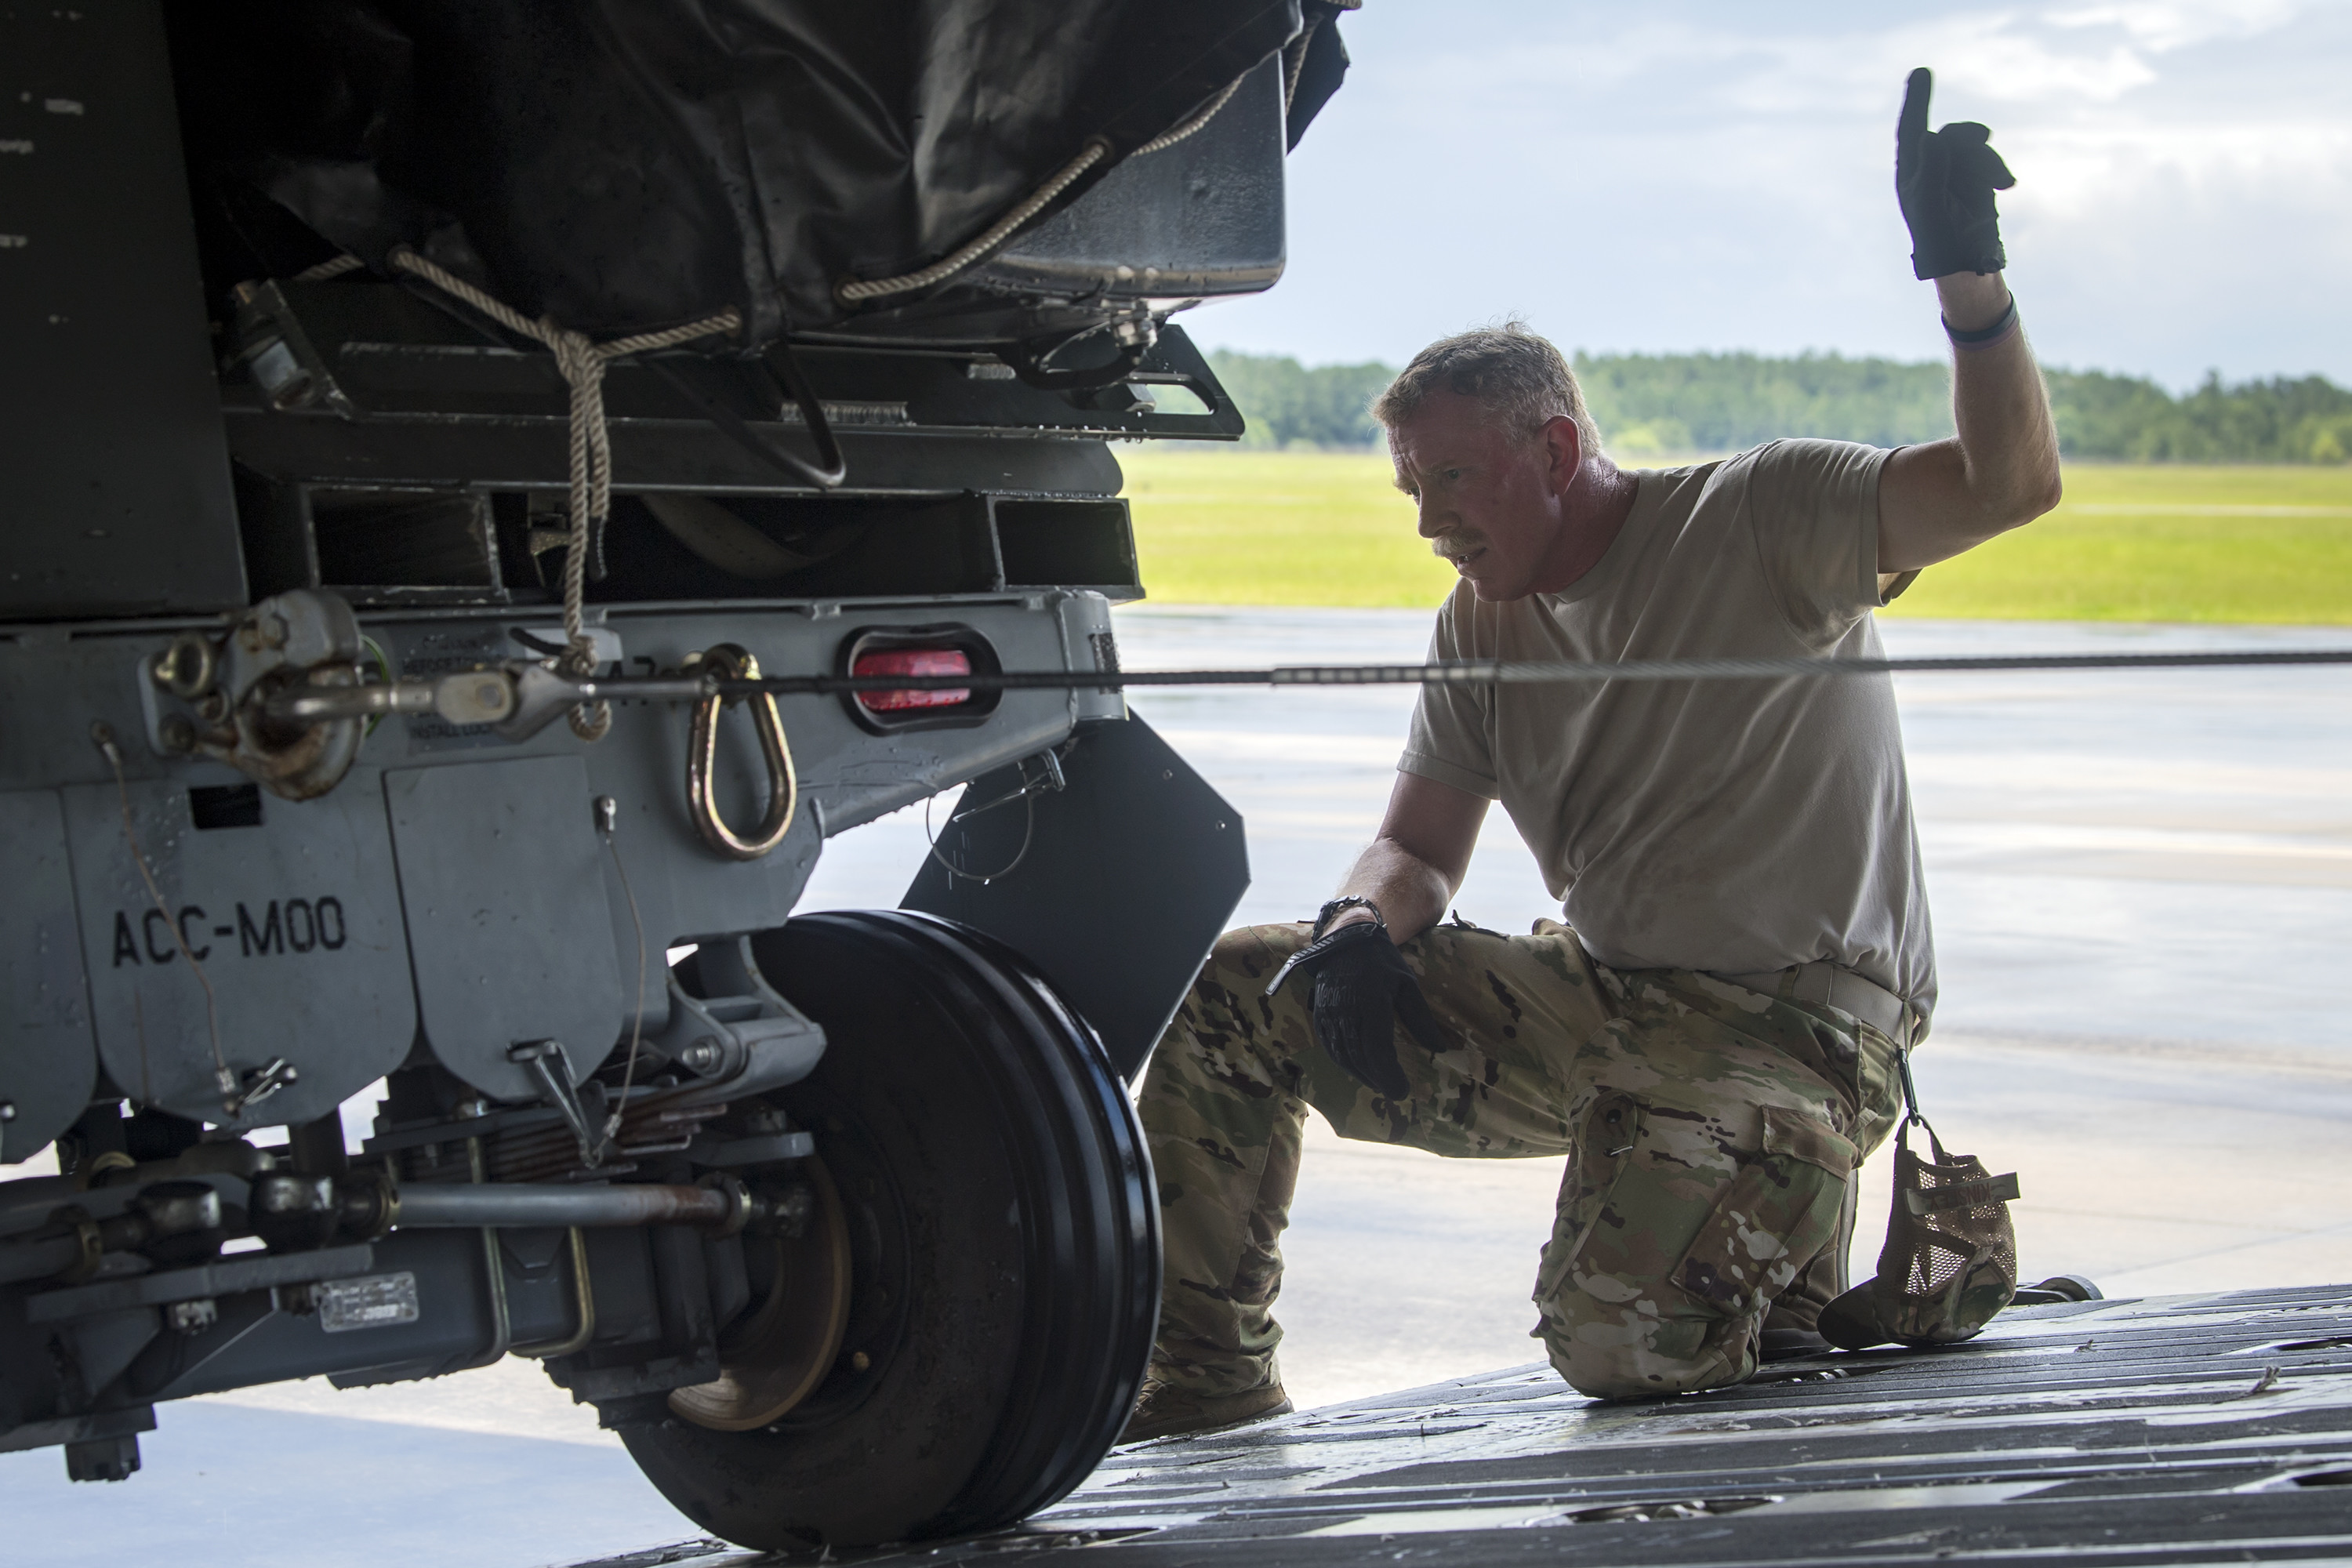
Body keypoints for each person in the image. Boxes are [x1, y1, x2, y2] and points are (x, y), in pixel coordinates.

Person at [1122, 68, 2062, 1440]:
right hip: (1605, 1001)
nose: (1428, 521)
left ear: (1555, 447)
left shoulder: (1762, 516)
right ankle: (1201, 1388)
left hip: (1798, 1031)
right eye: (1410, 489)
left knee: (1618, 1344)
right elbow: (1417, 846)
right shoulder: (1479, 622)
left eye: (1451, 481)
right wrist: (1358, 931)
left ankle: (1802, 1283)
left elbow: (2009, 485)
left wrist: (1970, 284)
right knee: (1234, 1001)